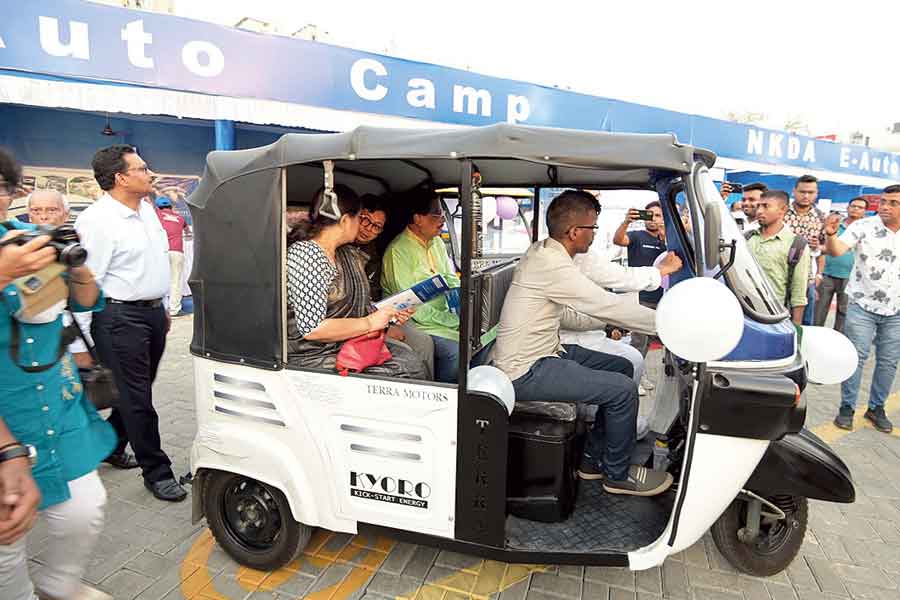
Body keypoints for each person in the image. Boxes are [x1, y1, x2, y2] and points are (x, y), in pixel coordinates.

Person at [494, 190, 672, 496]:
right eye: (593, 228)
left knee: (623, 365)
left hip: (547, 352)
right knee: (623, 390)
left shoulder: (545, 252)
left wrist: (608, 323)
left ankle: (591, 461)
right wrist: (674, 326)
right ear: (576, 232)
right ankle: (616, 476)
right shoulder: (552, 264)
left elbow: (574, 314)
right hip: (525, 369)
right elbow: (605, 303)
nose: (594, 235)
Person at [1, 148, 115, 600]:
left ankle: (59, 583)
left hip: (56, 405)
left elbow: (88, 301)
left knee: (85, 508)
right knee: (8, 532)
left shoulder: (25, 240)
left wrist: (76, 262)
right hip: (7, 413)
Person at [75, 145, 188, 502]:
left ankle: (109, 444)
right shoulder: (97, 221)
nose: (149, 172)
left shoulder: (147, 210)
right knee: (138, 398)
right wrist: (79, 344)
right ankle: (156, 471)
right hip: (119, 318)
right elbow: (83, 283)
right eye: (141, 168)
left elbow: (153, 263)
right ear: (120, 178)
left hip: (152, 315)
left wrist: (162, 308)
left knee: (134, 391)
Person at [286, 185, 427, 379]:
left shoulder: (345, 253)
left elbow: (357, 306)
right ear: (345, 221)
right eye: (359, 218)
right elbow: (313, 328)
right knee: (407, 369)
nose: (362, 226)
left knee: (411, 360)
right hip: (314, 355)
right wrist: (369, 323)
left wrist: (389, 314)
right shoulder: (306, 254)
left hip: (346, 343)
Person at [381, 192, 491, 383]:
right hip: (409, 319)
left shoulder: (437, 242)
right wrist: (453, 321)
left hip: (441, 316)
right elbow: (410, 306)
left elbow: (449, 277)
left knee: (483, 336)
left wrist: (465, 299)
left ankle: (473, 387)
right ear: (418, 219)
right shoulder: (398, 251)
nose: (442, 221)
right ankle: (449, 396)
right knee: (455, 350)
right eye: (437, 215)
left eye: (442, 216)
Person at [825, 185, 900, 434]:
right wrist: (831, 235)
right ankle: (847, 408)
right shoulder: (863, 227)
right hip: (862, 305)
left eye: (893, 203)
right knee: (857, 358)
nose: (885, 207)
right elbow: (837, 251)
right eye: (883, 201)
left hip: (896, 310)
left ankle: (876, 408)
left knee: (888, 362)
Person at [352, 194, 435, 378]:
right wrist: (385, 327)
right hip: (358, 324)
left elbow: (372, 295)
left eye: (376, 227)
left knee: (424, 342)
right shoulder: (340, 251)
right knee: (406, 353)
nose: (368, 230)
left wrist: (391, 316)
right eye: (365, 221)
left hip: (376, 315)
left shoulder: (372, 254)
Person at [612, 201, 666, 393]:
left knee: (665, 338)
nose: (653, 219)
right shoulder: (636, 235)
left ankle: (666, 376)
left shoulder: (667, 238)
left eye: (658, 215)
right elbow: (618, 240)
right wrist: (626, 222)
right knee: (639, 341)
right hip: (642, 297)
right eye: (649, 215)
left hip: (666, 297)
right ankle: (636, 376)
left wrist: (665, 233)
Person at [745, 190, 811, 325]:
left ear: (783, 210)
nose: (759, 211)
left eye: (766, 206)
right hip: (743, 309)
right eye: (758, 206)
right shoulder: (747, 237)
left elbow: (799, 292)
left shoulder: (796, 245)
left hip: (773, 316)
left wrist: (796, 328)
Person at [815, 197, 867, 331]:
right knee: (819, 310)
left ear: (865, 212)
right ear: (848, 208)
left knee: (843, 313)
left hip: (851, 278)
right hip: (827, 274)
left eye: (860, 207)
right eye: (853, 206)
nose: (856, 209)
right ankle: (815, 338)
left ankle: (839, 341)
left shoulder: (865, 230)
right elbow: (820, 245)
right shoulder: (835, 225)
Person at [784, 175, 826, 326]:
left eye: (811, 192)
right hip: (780, 275)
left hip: (807, 278)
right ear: (794, 191)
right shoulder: (781, 212)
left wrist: (819, 275)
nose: (806, 196)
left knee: (804, 323)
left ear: (816, 193)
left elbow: (823, 250)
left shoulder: (820, 217)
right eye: (802, 191)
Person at [154, 196, 191, 318]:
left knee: (159, 280)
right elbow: (188, 233)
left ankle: (160, 309)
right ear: (171, 206)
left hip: (161, 252)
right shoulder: (180, 218)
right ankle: (174, 309)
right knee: (176, 281)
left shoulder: (156, 216)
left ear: (158, 207)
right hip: (176, 251)